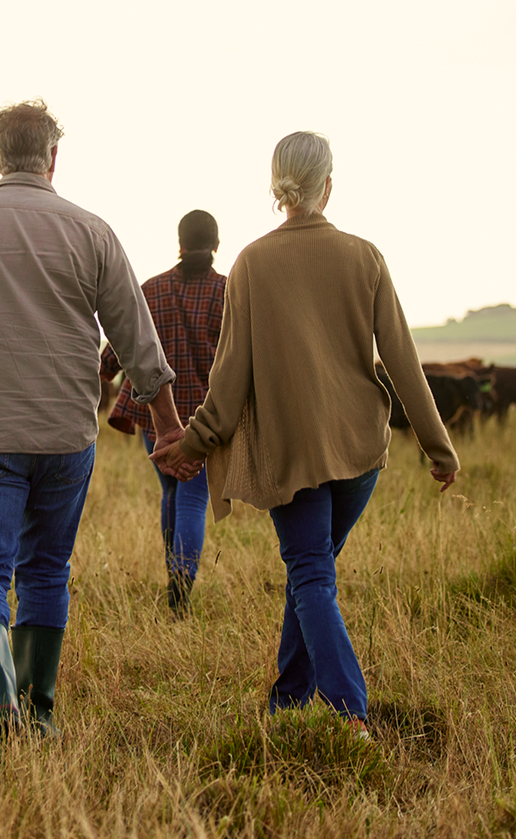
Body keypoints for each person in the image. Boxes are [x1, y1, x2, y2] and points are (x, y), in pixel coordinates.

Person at [0, 99, 181, 736]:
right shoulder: (92, 230)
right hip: (66, 434)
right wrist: (169, 422)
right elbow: (137, 340)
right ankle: (39, 715)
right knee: (47, 569)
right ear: (53, 157)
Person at [151, 131, 458, 736]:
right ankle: (288, 701)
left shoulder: (252, 264)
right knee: (310, 573)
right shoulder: (364, 255)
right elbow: (402, 359)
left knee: (311, 574)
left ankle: (352, 718)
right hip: (359, 452)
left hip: (289, 455)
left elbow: (229, 376)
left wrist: (194, 442)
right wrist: (437, 446)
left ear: (277, 186)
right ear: (328, 185)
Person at [103, 210, 227, 619]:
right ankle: (180, 593)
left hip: (155, 416)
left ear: (179, 242)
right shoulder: (226, 293)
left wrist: (102, 375)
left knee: (171, 492)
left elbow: (117, 348)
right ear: (216, 243)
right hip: (206, 419)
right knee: (193, 499)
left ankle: (175, 583)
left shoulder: (150, 291)